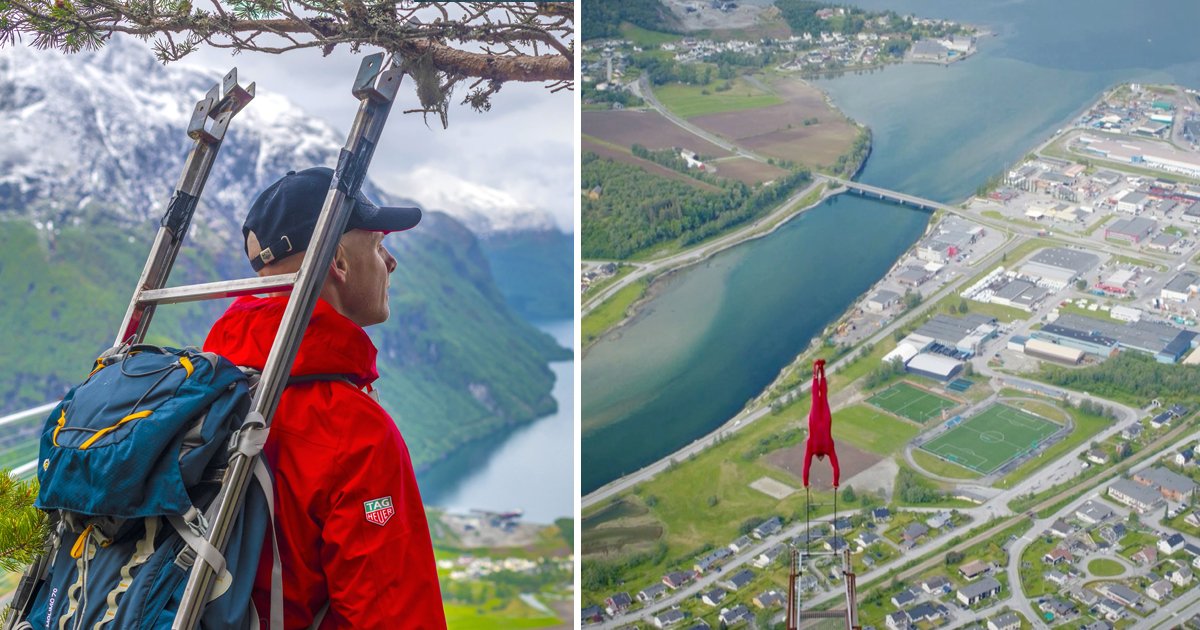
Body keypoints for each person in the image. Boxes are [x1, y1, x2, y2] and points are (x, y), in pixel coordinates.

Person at [203, 167, 447, 629]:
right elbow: (393, 617)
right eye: (378, 245)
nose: (390, 261)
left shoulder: (212, 391)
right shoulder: (351, 430)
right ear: (338, 261)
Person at [802, 359, 839, 489]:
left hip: (826, 418)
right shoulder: (811, 447)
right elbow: (806, 466)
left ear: (822, 455)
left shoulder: (829, 447)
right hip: (815, 419)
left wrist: (836, 482)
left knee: (822, 396)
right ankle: (816, 370)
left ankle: (821, 370)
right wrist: (805, 482)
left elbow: (836, 467)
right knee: (815, 397)